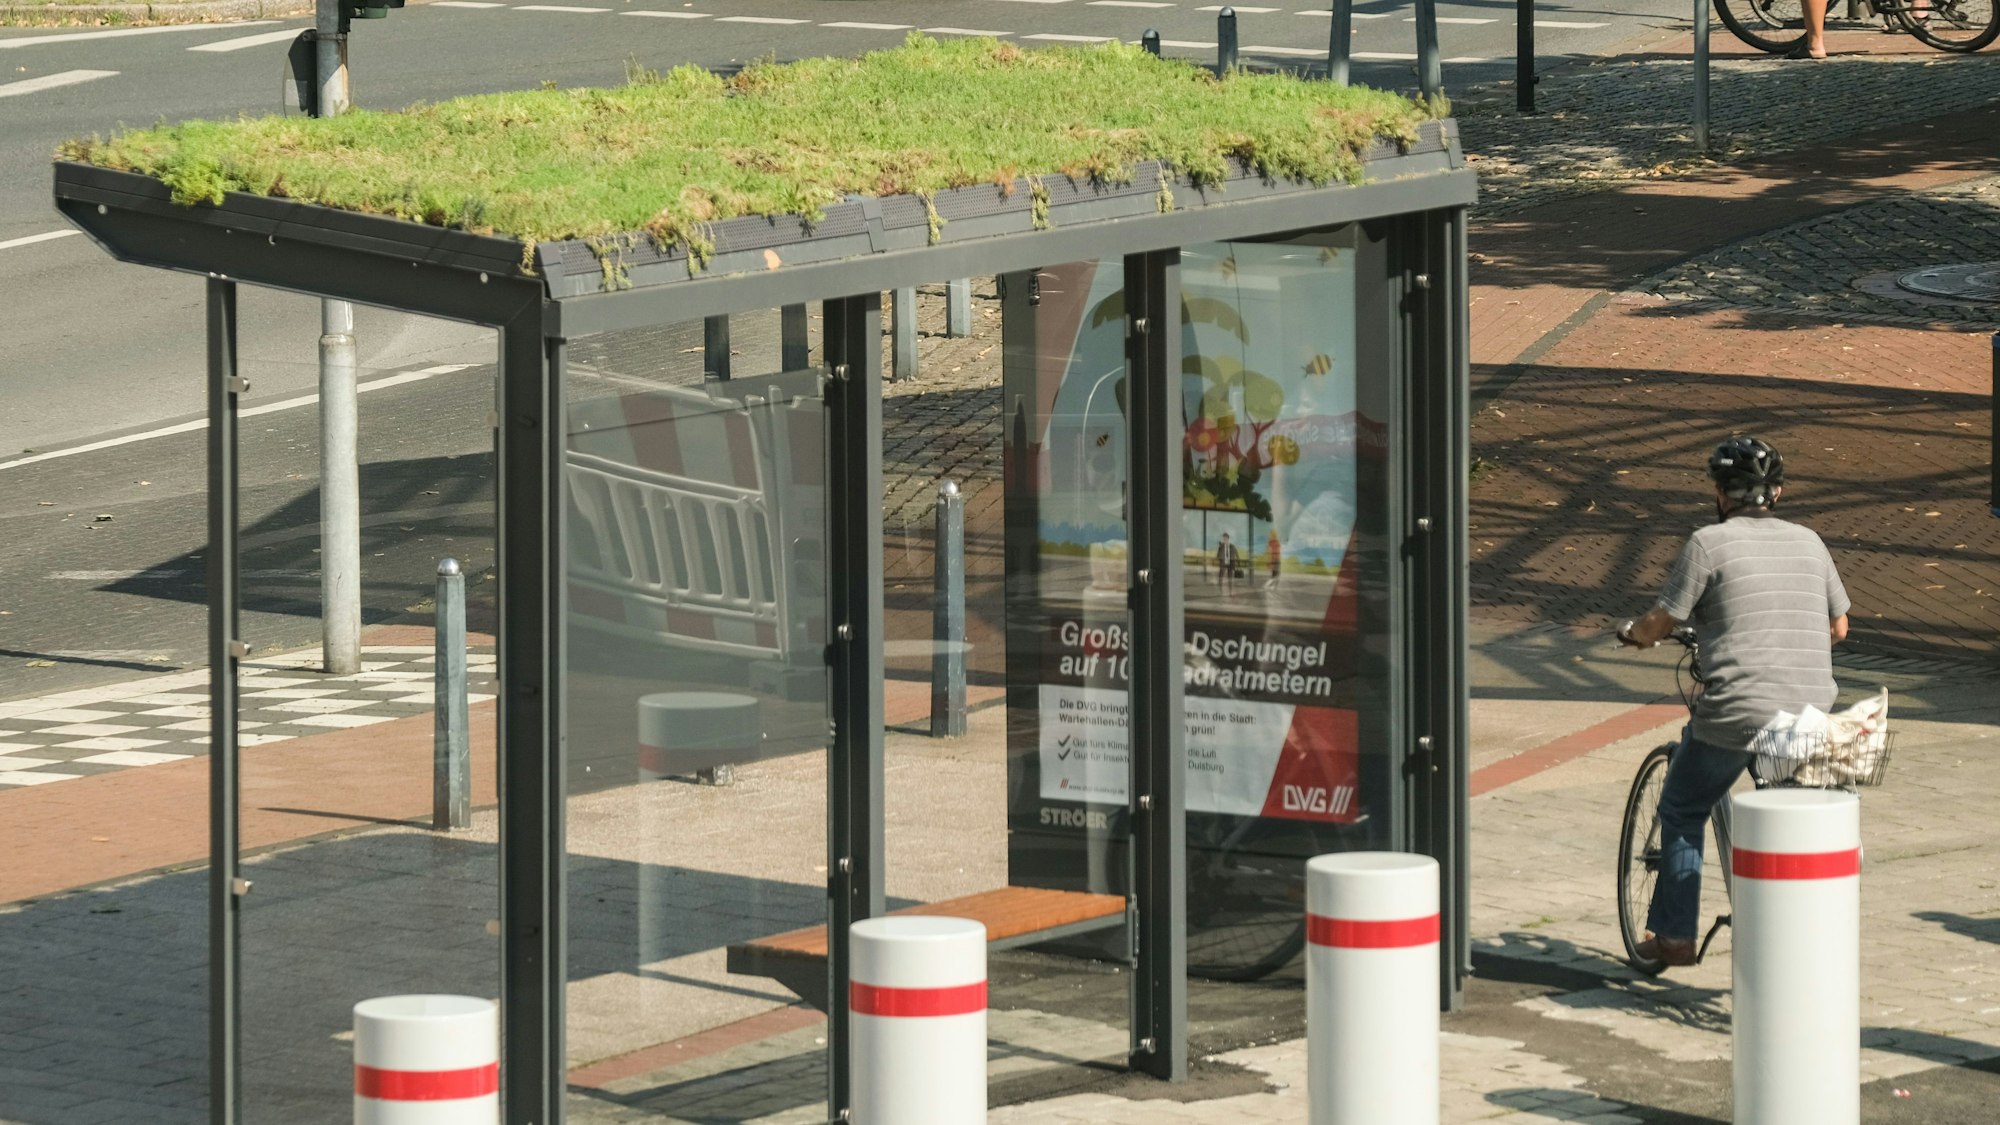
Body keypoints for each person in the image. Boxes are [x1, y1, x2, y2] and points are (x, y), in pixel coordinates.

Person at [1616, 436, 1850, 967]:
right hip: (1812, 710)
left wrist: (1636, 635)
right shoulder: (1811, 541)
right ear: (1779, 493)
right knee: (1793, 814)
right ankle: (1802, 926)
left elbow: (1663, 620)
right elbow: (1838, 626)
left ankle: (1674, 937)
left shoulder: (1707, 543)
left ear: (1721, 495)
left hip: (1741, 707)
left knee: (1682, 805)